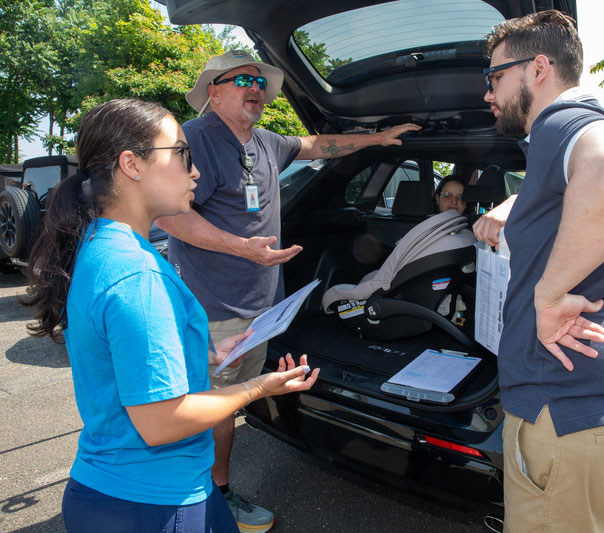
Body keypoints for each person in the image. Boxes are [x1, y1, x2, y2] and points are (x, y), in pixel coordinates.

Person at [21, 98, 319, 532]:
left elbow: (123, 352)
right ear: (132, 164)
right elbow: (163, 421)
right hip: (151, 501)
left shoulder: (107, 245)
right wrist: (259, 387)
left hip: (140, 487)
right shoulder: (136, 272)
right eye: (182, 154)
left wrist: (209, 351)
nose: (194, 170)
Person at [155, 49, 420, 532]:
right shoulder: (196, 140)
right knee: (204, 408)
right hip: (214, 308)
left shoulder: (263, 142)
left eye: (260, 80)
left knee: (228, 405)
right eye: (242, 80)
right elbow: (168, 215)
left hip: (258, 309)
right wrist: (243, 248)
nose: (255, 88)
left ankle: (206, 490)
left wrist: (377, 138)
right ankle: (207, 499)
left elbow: (320, 145)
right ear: (214, 91)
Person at [472, 11, 604, 532]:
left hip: (571, 416)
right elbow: (581, 189)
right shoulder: (563, 138)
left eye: (495, 77)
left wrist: (549, 295)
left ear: (538, 68)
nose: (488, 94)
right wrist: (516, 204)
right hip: (602, 413)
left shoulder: (563, 122)